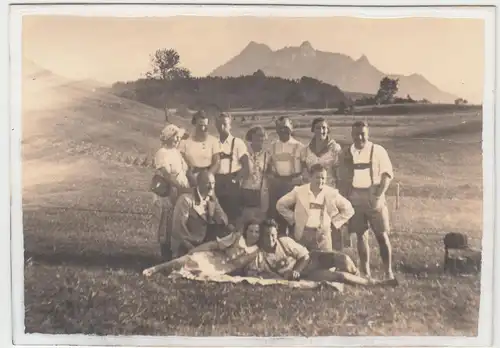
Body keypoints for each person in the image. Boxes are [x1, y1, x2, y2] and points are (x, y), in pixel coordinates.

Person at [247, 219, 398, 287]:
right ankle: (375, 284)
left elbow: (305, 256)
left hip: (312, 260)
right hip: (306, 275)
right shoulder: (260, 255)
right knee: (340, 277)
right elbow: (260, 274)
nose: (270, 239)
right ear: (261, 236)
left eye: (273, 235)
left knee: (344, 259)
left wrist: (295, 271)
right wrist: (282, 276)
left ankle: (359, 274)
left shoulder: (284, 241)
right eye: (267, 235)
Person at [337, 121, 395, 280]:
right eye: (356, 134)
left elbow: (387, 175)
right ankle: (365, 272)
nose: (359, 137)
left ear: (368, 134)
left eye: (362, 133)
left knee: (381, 235)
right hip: (355, 197)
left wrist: (378, 195)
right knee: (361, 236)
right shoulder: (347, 153)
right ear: (351, 135)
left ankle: (388, 272)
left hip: (374, 196)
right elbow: (342, 178)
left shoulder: (378, 150)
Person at [276, 163, 354, 252]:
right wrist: (294, 219)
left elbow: (349, 209)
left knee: (325, 262)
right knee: (303, 261)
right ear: (310, 177)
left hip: (323, 236)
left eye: (323, 178)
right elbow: (280, 205)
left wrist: (335, 222)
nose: (320, 181)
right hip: (302, 233)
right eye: (317, 177)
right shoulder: (299, 191)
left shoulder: (331, 193)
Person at [142, 220, 261, 277]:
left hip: (223, 269)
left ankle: (171, 273)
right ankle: (156, 268)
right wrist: (195, 250)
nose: (253, 234)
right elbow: (213, 245)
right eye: (251, 231)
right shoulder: (236, 237)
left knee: (198, 273)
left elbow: (249, 270)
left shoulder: (256, 252)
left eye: (256, 232)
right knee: (188, 259)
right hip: (214, 257)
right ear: (246, 231)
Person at [152, 124, 192, 261]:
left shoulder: (176, 152)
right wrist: (180, 187)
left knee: (177, 220)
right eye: (175, 137)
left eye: (179, 138)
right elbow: (166, 175)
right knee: (166, 221)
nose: (177, 140)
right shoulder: (162, 153)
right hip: (169, 190)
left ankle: (177, 251)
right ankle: (165, 254)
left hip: (180, 190)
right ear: (168, 137)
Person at [170, 169, 230, 259]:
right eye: (208, 183)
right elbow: (178, 230)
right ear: (199, 184)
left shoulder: (211, 199)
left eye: (213, 183)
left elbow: (224, 220)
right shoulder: (186, 200)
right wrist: (193, 250)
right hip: (184, 247)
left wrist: (214, 201)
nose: (211, 187)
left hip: (202, 246)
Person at [268, 116, 305, 235]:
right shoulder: (272, 146)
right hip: (278, 185)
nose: (283, 131)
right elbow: (269, 166)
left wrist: (299, 180)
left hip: (294, 185)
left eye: (285, 127)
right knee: (279, 220)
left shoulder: (300, 146)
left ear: (291, 128)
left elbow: (305, 167)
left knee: (294, 218)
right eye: (279, 128)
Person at [214, 113, 250, 222]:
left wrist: (235, 180)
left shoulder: (238, 143)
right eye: (219, 124)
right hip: (217, 182)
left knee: (233, 215)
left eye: (225, 124)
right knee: (217, 214)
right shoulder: (213, 142)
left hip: (232, 182)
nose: (222, 127)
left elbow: (246, 167)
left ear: (230, 126)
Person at [238, 126, 271, 228]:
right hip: (245, 190)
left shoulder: (267, 155)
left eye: (262, 136)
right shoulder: (243, 153)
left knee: (259, 221)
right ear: (251, 137)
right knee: (245, 219)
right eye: (257, 136)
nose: (259, 139)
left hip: (260, 192)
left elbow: (269, 174)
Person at [179, 110, 221, 186]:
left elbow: (217, 162)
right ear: (194, 124)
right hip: (189, 177)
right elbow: (180, 160)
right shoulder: (185, 141)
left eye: (205, 125)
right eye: (200, 125)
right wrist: (189, 175)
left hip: (208, 179)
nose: (203, 128)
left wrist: (208, 176)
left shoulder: (213, 141)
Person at [300, 118, 342, 187]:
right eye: (317, 128)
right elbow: (304, 173)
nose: (321, 131)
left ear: (328, 130)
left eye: (324, 128)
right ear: (313, 130)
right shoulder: (305, 150)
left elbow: (339, 173)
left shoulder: (335, 148)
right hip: (311, 188)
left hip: (329, 187)